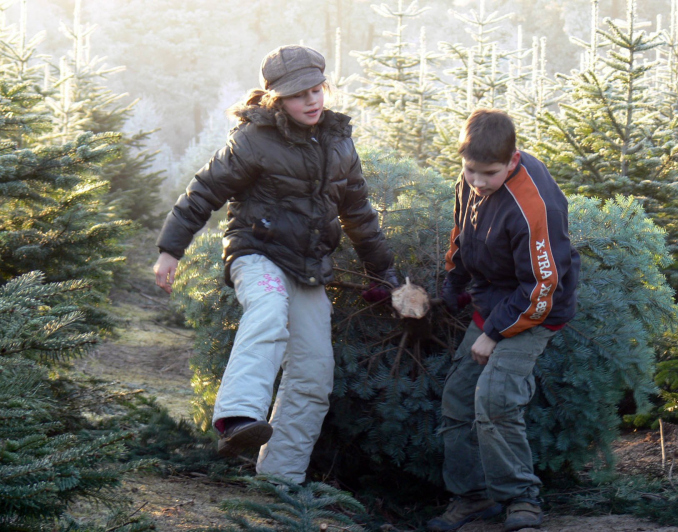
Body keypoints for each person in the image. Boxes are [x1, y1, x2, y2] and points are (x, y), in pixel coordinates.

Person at [152, 45, 398, 483]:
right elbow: (204, 191)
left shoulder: (340, 142)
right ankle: (237, 417)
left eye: (316, 89)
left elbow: (359, 215)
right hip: (257, 255)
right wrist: (170, 250)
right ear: (277, 99)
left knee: (314, 374)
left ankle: (280, 481)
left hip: (310, 267)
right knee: (267, 311)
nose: (311, 100)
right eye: (298, 94)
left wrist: (386, 276)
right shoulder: (254, 139)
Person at [428, 109, 580, 531]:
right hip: (493, 300)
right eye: (469, 170)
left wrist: (493, 333)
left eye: (489, 173)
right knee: (458, 398)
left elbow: (542, 287)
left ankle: (521, 500)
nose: (477, 181)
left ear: (512, 160)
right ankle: (473, 496)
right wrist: (454, 280)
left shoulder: (533, 205)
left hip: (536, 309)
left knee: (494, 399)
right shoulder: (473, 177)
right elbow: (461, 232)